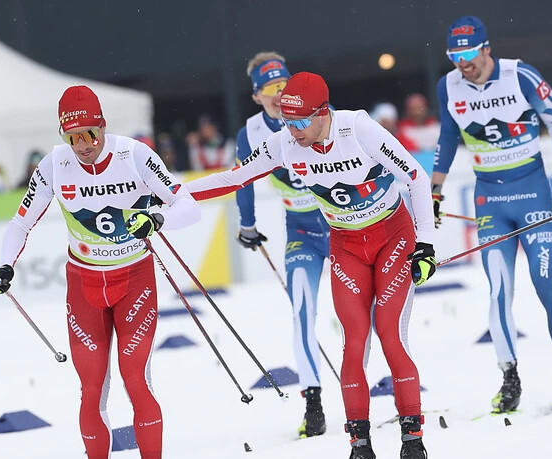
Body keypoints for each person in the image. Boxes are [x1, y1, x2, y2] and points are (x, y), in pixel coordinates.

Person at [186, 72, 436, 459]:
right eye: (287, 122)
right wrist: (166, 195)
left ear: (323, 113)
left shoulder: (359, 128)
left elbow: (416, 178)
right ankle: (360, 443)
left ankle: (412, 439)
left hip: (392, 237)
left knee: (390, 334)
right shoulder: (285, 142)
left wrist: (425, 245)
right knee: (353, 343)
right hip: (347, 245)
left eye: (301, 122)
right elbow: (235, 179)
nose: (293, 131)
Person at [0, 85, 200, 459]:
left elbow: (188, 205)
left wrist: (156, 218)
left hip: (133, 280)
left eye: (89, 134)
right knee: (92, 388)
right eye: (72, 137)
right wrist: (6, 264)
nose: (83, 145)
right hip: (84, 285)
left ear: (103, 126)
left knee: (136, 380)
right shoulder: (54, 164)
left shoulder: (134, 155)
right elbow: (20, 224)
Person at [433, 16, 552, 415]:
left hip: (531, 191)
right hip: (490, 202)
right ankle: (509, 378)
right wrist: (435, 187)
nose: (462, 65)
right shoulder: (448, 85)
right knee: (499, 290)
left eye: (467, 55)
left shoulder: (520, 75)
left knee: (545, 282)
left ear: (486, 48)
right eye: (454, 57)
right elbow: (448, 136)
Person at [234, 52, 330, 439]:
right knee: (302, 313)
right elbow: (243, 182)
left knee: (363, 314)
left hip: (342, 226)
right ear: (256, 96)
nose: (277, 95)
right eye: (268, 89)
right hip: (302, 231)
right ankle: (314, 401)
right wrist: (247, 225)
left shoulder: (320, 114)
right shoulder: (251, 133)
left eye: (282, 86)